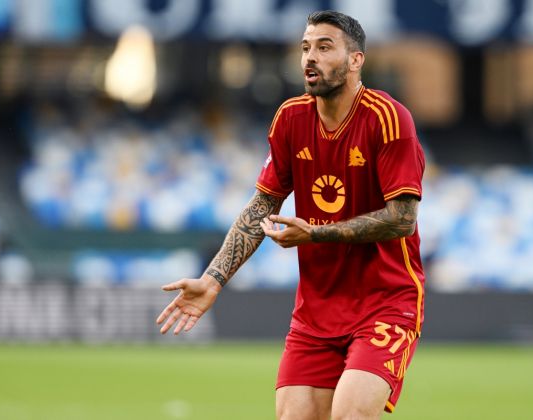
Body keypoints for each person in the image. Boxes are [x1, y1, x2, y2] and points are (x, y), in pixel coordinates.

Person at [156, 10, 426, 419]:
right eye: (304, 48)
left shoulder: (388, 119)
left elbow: (402, 218)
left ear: (356, 60)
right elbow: (262, 206)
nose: (309, 58)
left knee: (350, 414)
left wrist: (317, 234)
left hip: (385, 301)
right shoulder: (290, 118)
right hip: (316, 312)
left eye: (324, 47)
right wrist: (213, 279)